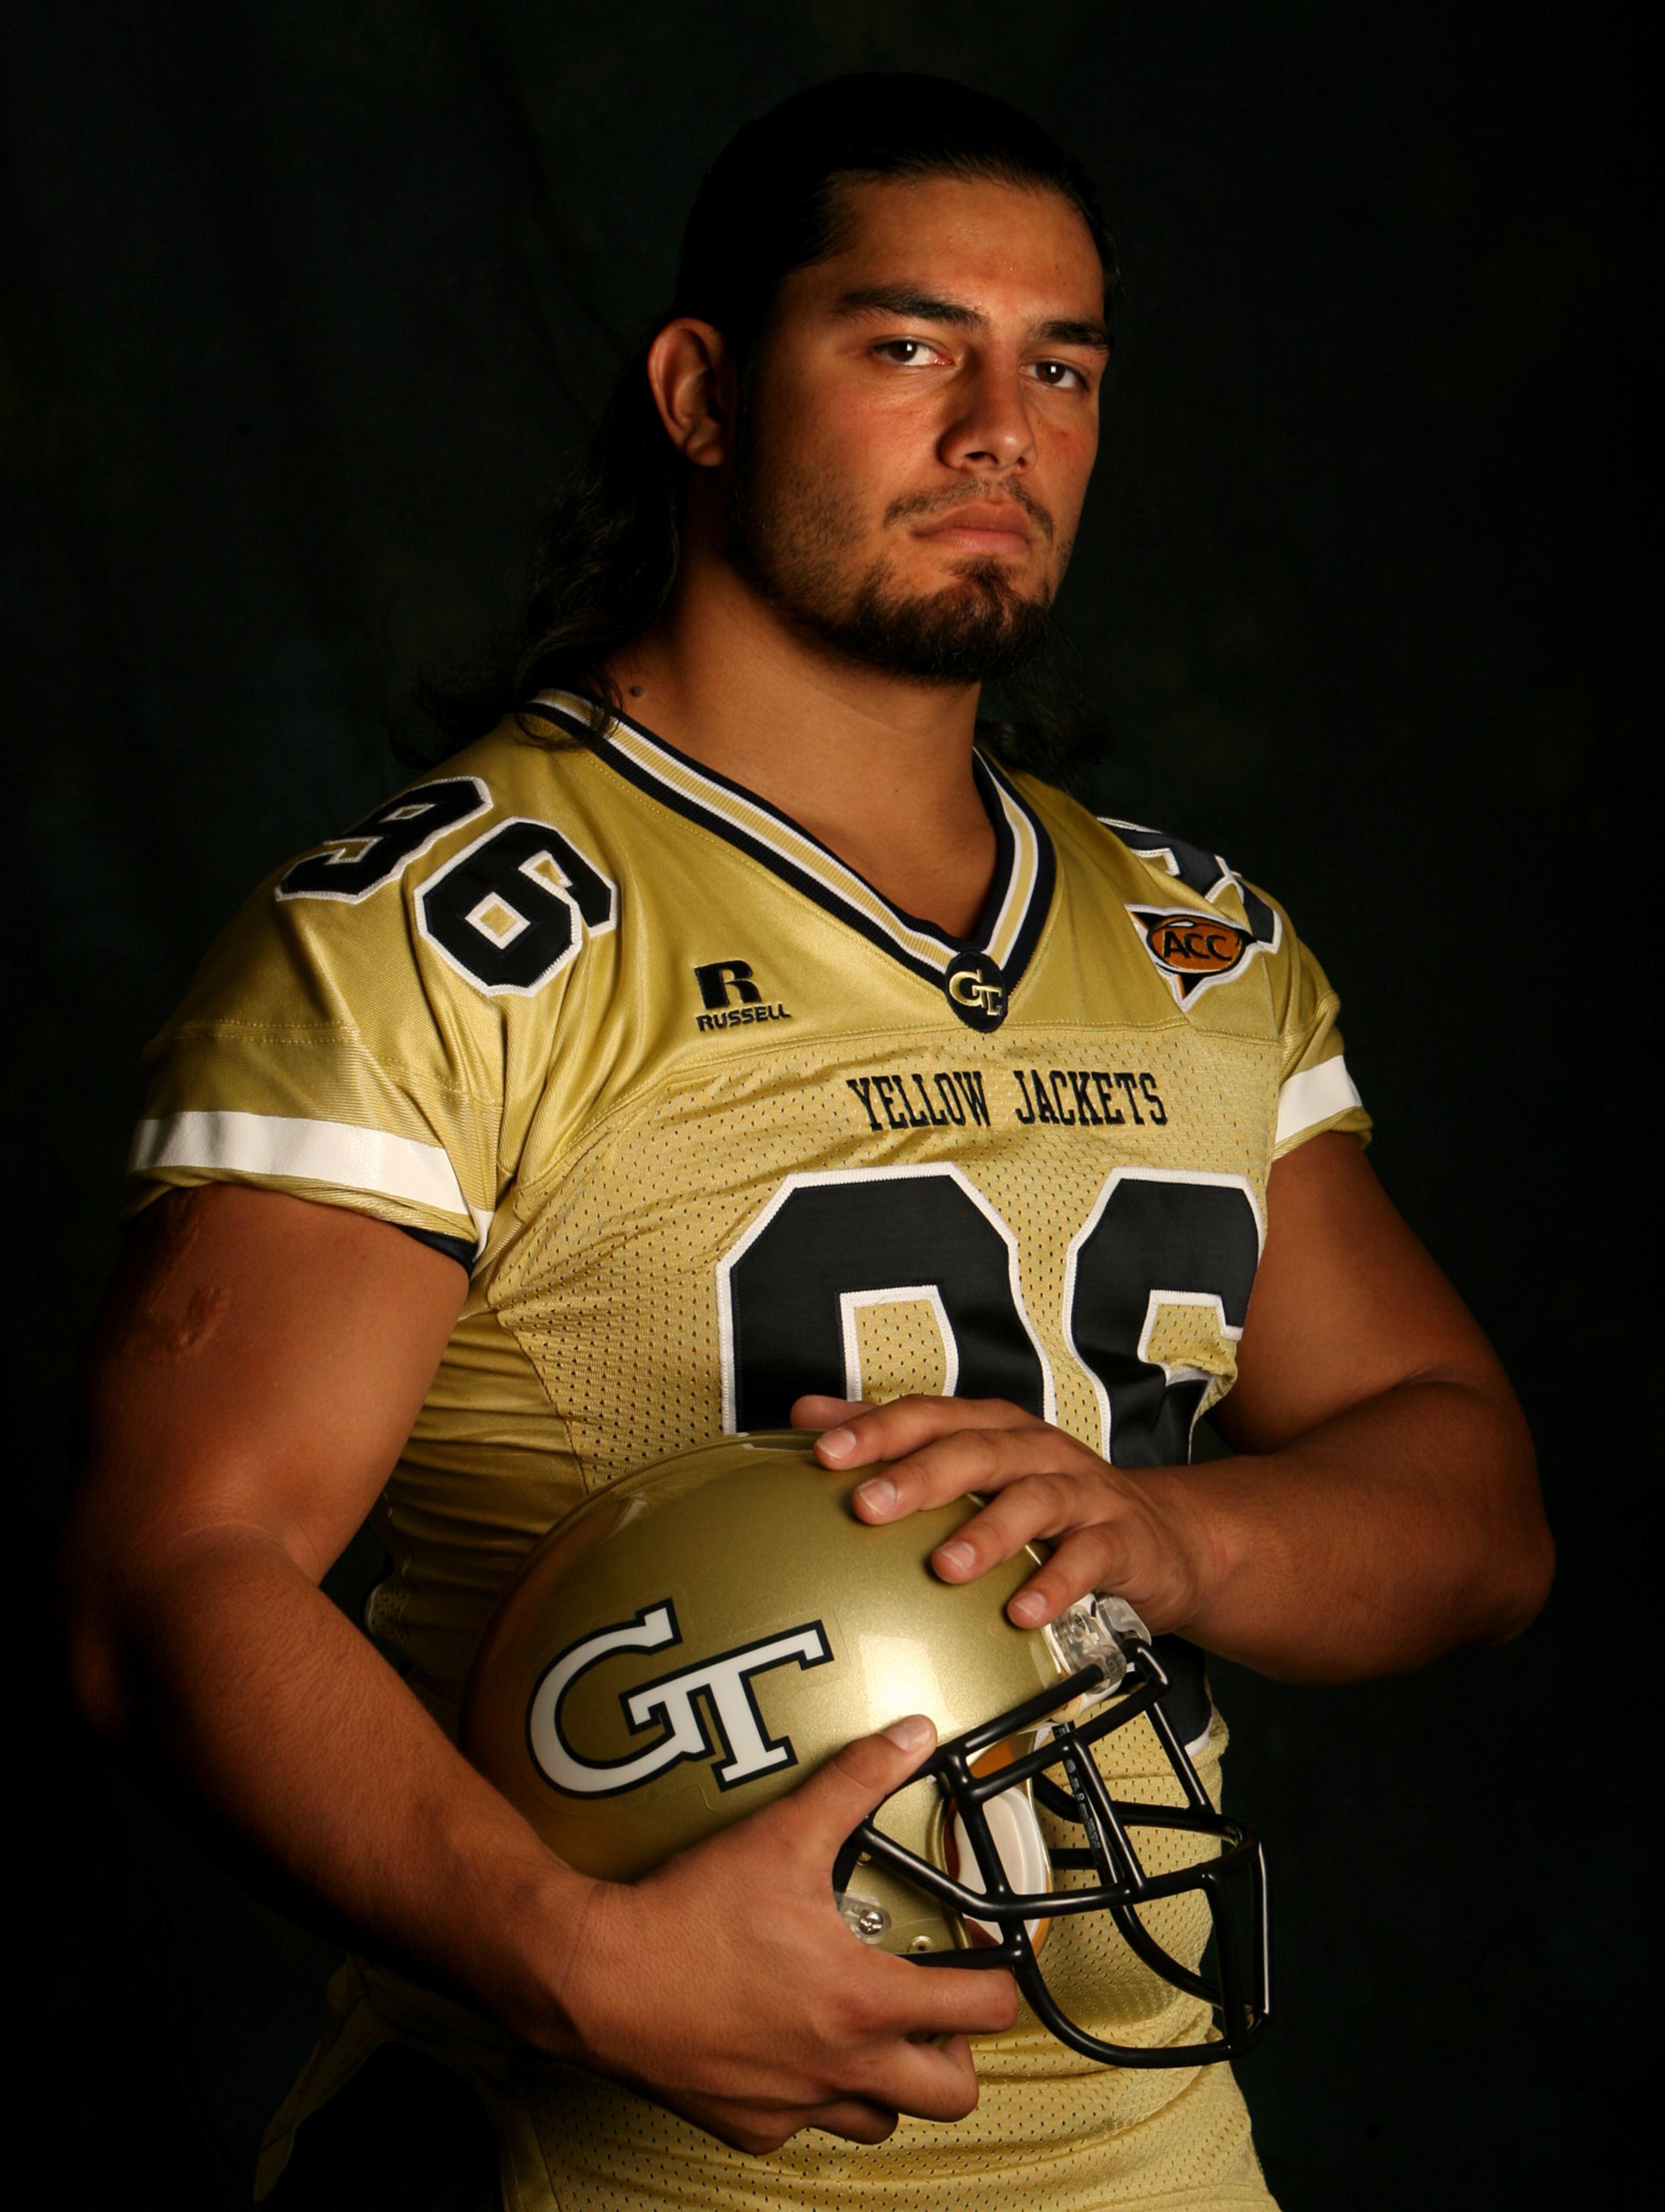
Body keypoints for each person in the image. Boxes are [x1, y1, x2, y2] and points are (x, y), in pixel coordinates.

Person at [64, 73, 1553, 2212]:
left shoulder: (1195, 942)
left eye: (1063, 366)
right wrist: (575, 1957)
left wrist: (1170, 1535)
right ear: (699, 390)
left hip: (1153, 2143)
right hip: (617, 2157)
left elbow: (1473, 1497)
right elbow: (167, 1572)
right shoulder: (441, 933)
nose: (999, 431)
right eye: (908, 343)